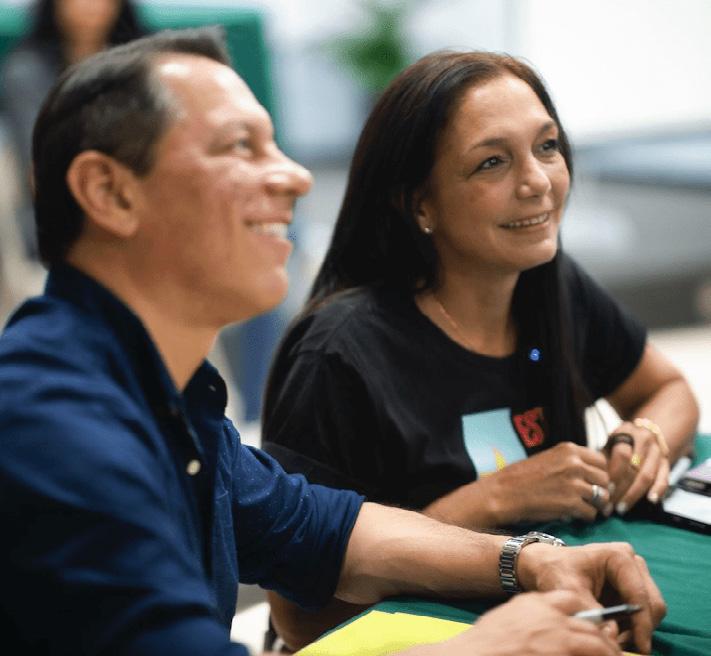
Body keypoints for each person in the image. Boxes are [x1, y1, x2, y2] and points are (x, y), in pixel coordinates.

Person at [0, 29, 665, 655]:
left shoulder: (168, 400)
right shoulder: (55, 428)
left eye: (547, 147)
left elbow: (327, 532)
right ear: (110, 192)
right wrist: (483, 645)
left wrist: (532, 559)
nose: (296, 176)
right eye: (240, 147)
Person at [260, 50, 698, 647]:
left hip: (554, 615)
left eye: (547, 146)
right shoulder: (337, 354)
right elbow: (298, 618)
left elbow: (667, 389)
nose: (538, 181)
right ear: (419, 203)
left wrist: (643, 437)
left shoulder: (550, 283)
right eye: (492, 162)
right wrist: (495, 498)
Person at [0, 0, 145, 256]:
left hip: (134, 217)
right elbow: (41, 171)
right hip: (56, 228)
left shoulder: (142, 70)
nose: (89, 6)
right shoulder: (26, 73)